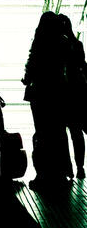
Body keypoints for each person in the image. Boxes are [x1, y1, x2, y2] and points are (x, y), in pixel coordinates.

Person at [22, 11, 73, 191]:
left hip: (39, 94)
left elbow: (29, 70)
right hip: (58, 93)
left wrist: (27, 79)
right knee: (58, 133)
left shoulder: (38, 43)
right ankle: (60, 174)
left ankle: (43, 174)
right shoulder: (64, 42)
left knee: (42, 133)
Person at [59, 14, 86, 179]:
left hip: (61, 94)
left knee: (61, 134)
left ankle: (67, 168)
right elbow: (82, 66)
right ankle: (80, 166)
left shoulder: (54, 46)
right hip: (76, 93)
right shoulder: (77, 44)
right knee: (77, 132)